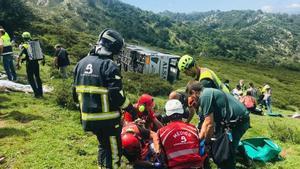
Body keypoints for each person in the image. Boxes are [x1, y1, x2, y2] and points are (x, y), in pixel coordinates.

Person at [73, 29, 137, 169]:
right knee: (114, 151)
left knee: (103, 146)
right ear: (113, 47)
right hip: (107, 120)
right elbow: (117, 96)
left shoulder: (81, 63)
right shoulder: (109, 65)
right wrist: (131, 109)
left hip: (87, 119)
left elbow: (74, 95)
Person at [187, 81, 250, 169]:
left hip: (239, 122)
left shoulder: (205, 95)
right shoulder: (208, 92)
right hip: (236, 120)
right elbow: (205, 122)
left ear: (194, 92)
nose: (193, 101)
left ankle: (230, 165)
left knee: (226, 152)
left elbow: (209, 124)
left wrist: (205, 142)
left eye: (191, 97)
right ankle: (245, 160)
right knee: (226, 143)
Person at [157, 99, 205, 169]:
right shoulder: (193, 129)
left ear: (166, 115)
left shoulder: (161, 132)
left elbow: (159, 153)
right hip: (196, 166)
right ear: (184, 113)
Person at [17, 32, 44, 98]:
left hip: (30, 64)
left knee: (30, 78)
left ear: (23, 38)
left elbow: (19, 55)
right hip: (36, 63)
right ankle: (41, 93)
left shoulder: (25, 45)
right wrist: (24, 59)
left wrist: (18, 63)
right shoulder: (34, 43)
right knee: (37, 77)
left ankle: (36, 94)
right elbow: (32, 55)